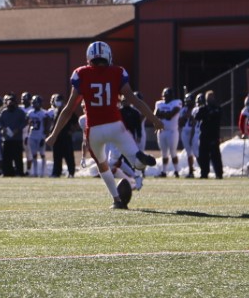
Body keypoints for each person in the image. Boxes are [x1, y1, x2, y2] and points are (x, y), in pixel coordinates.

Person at [45, 41, 162, 208]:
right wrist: (155, 119)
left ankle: (116, 200)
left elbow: (68, 109)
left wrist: (54, 134)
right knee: (134, 159)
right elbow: (134, 100)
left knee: (102, 165)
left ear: (89, 57)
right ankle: (139, 161)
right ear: (108, 56)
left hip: (94, 129)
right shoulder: (118, 72)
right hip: (115, 125)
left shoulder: (81, 74)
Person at [154, 87, 183, 177]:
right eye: (164, 95)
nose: (165, 97)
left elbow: (170, 115)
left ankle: (177, 171)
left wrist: (162, 114)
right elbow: (155, 114)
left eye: (167, 95)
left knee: (173, 151)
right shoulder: (159, 103)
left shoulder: (177, 102)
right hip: (162, 131)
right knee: (164, 153)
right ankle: (164, 171)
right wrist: (165, 114)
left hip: (172, 131)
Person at [50, 94, 77, 177]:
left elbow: (75, 122)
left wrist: (71, 131)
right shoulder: (54, 111)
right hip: (57, 137)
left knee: (68, 155)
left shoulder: (68, 111)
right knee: (57, 156)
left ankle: (71, 172)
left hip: (65, 136)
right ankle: (56, 172)